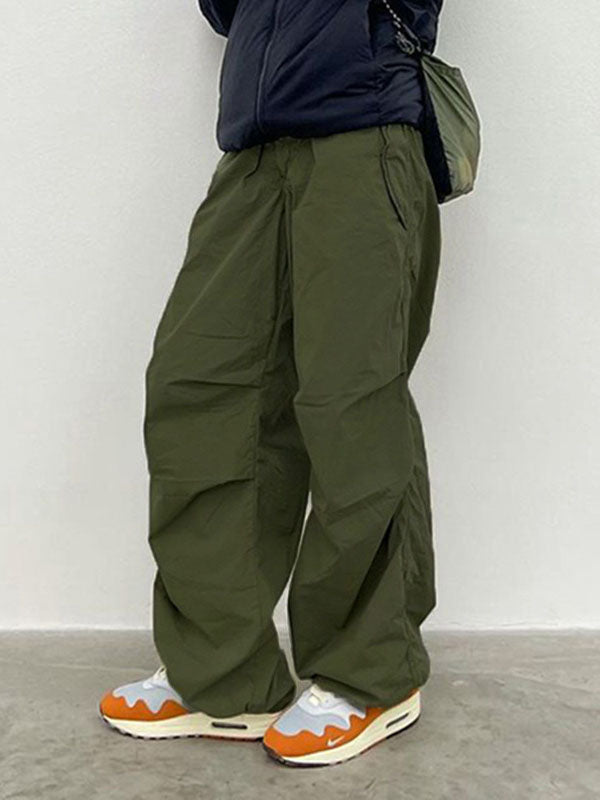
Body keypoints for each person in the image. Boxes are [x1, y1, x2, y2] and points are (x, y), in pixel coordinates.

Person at [99, 0, 444, 767]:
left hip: (363, 131)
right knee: (204, 393)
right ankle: (222, 674)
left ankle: (370, 673)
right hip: (254, 148)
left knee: (351, 402)